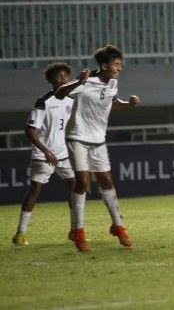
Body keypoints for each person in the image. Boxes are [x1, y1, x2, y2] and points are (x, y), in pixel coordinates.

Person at [55, 45, 140, 251]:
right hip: (77, 136)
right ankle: (79, 232)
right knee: (83, 181)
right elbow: (59, 94)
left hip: (98, 139)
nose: (120, 68)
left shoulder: (112, 83)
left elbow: (111, 103)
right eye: (116, 64)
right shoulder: (87, 81)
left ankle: (118, 226)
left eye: (121, 64)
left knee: (107, 181)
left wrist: (127, 104)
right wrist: (79, 80)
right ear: (104, 65)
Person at [12, 63, 76, 246]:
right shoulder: (43, 101)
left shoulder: (71, 100)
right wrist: (46, 151)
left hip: (63, 153)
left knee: (76, 185)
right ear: (51, 80)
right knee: (35, 190)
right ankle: (20, 233)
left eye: (66, 75)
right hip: (43, 154)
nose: (63, 78)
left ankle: (74, 230)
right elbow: (30, 130)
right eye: (58, 76)